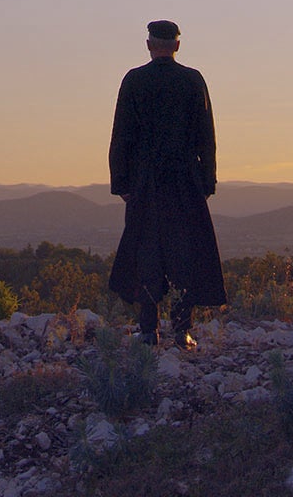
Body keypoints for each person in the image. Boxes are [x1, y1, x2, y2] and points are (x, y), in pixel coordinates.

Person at [106, 18, 226, 347]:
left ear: (148, 44)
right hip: (184, 179)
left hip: (145, 180)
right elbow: (206, 135)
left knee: (147, 249)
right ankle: (181, 330)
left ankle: (148, 330)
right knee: (184, 250)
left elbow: (121, 135)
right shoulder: (192, 80)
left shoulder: (134, 81)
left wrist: (122, 182)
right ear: (176, 45)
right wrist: (207, 179)